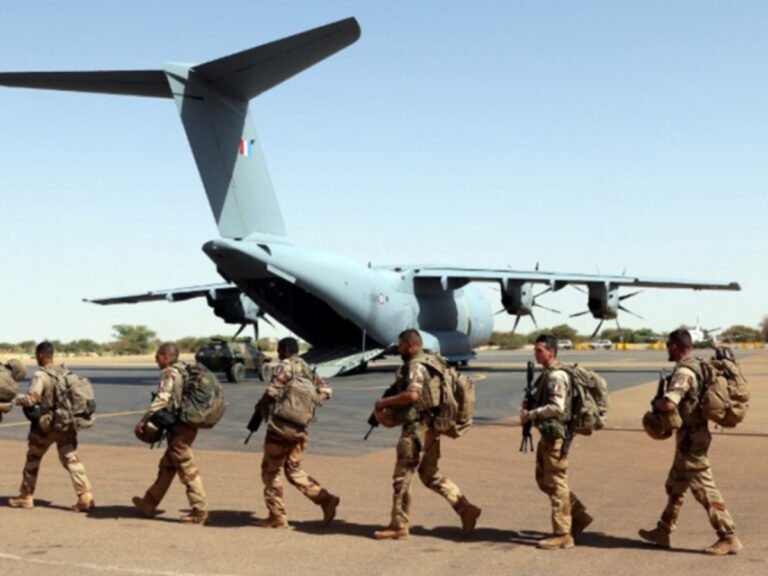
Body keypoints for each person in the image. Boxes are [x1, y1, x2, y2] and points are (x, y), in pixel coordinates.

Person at [639, 329, 742, 555]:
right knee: (675, 485)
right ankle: (663, 530)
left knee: (704, 488)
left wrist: (656, 403)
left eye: (668, 345)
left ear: (676, 346)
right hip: (692, 435)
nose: (667, 348)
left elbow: (670, 404)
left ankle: (728, 536)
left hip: (691, 440)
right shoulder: (698, 365)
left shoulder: (684, 371)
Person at [373, 329, 481, 540]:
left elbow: (412, 394)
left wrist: (384, 403)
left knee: (401, 477)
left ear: (411, 345)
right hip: (433, 426)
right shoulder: (434, 360)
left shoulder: (416, 365)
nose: (400, 350)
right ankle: (466, 509)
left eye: (402, 346)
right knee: (430, 474)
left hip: (417, 429)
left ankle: (398, 525)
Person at [255, 337, 339, 528]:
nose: (277, 354)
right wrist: (308, 404)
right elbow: (326, 390)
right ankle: (326, 499)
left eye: (279, 350)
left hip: (280, 428)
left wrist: (261, 407)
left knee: (271, 469)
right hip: (300, 429)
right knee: (293, 470)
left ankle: (277, 516)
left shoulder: (285, 366)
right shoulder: (307, 369)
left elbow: (271, 391)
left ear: (285, 350)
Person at [519, 334, 592, 550]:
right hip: (548, 435)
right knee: (544, 479)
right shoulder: (547, 375)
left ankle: (563, 534)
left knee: (557, 483)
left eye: (540, 350)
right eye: (535, 350)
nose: (536, 353)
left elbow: (557, 407)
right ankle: (578, 515)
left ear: (551, 352)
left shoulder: (556, 377)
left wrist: (531, 414)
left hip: (556, 437)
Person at [9, 341, 93, 511]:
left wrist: (13, 399)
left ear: (41, 355)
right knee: (71, 459)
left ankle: (26, 496)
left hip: (46, 427)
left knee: (33, 457)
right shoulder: (65, 373)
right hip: (66, 423)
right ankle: (85, 496)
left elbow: (31, 399)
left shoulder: (40, 375)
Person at [132, 342, 208, 524]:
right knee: (167, 465)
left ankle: (200, 510)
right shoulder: (184, 369)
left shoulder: (169, 373)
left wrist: (144, 420)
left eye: (158, 356)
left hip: (180, 427)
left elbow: (162, 399)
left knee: (186, 468)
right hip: (188, 424)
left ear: (166, 357)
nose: (155, 359)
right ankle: (149, 502)